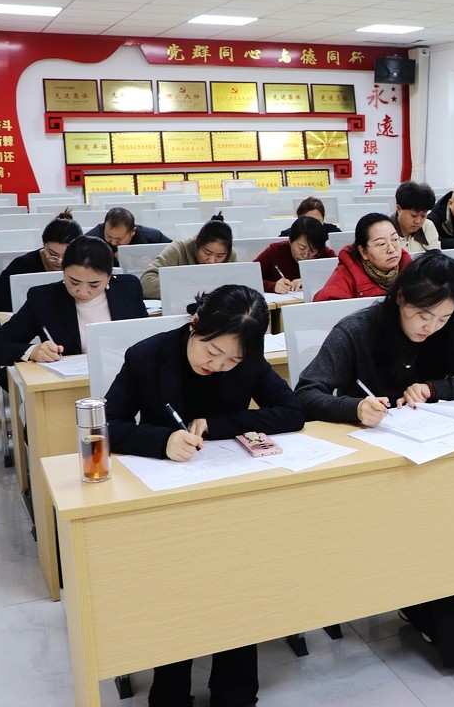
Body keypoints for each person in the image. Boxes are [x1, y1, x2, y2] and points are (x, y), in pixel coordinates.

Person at [294, 252, 454, 689]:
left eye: (443, 318)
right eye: (423, 315)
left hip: (430, 460)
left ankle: (431, 610)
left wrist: (434, 388)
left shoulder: (448, 332)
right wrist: (353, 408)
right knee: (426, 531)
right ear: (400, 298)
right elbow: (305, 394)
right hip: (368, 469)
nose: (431, 327)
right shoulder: (358, 330)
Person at [104, 284, 304, 707]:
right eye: (212, 352)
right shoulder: (147, 355)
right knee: (178, 584)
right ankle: (170, 686)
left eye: (232, 360)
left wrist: (217, 425)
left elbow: (292, 411)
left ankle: (235, 690)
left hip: (229, 492)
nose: (219, 365)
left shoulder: (246, 358)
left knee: (239, 576)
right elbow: (107, 425)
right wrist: (161, 441)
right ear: (196, 324)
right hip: (167, 497)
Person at [0, 236, 148, 366]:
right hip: (70, 384)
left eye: (94, 284)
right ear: (63, 272)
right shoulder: (44, 299)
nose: (82, 291)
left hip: (124, 376)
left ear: (109, 276)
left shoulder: (128, 288)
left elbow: (147, 338)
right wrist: (33, 351)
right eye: (74, 282)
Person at [0, 210, 81, 314]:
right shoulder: (24, 264)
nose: (59, 261)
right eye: (52, 254)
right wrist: (30, 303)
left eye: (67, 255)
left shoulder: (83, 264)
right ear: (44, 245)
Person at [314, 213, 411, 301]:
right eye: (381, 244)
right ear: (364, 252)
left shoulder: (410, 269)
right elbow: (325, 306)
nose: (392, 249)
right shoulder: (346, 274)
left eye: (395, 239)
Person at [139, 214, 237, 299]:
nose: (212, 260)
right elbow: (146, 283)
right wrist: (185, 288)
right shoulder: (178, 250)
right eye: (207, 253)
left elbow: (238, 286)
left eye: (220, 256)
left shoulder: (230, 254)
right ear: (197, 241)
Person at [254, 216, 333, 294]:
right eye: (301, 248)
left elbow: (339, 275)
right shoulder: (274, 252)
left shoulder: (324, 252)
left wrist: (310, 281)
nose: (306, 255)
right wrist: (272, 286)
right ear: (290, 241)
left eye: (313, 250)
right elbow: (249, 278)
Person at [83, 206, 170, 251]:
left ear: (133, 231)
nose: (113, 242)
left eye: (119, 239)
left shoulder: (152, 237)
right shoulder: (89, 241)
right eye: (109, 236)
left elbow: (174, 251)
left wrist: (154, 259)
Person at [392, 180, 441, 253]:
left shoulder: (427, 226)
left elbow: (436, 257)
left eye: (423, 215)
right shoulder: (386, 231)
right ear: (399, 209)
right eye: (414, 215)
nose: (418, 221)